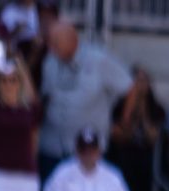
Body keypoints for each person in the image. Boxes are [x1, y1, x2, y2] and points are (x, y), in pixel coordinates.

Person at [38, 20, 131, 179]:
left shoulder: (99, 59)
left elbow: (130, 87)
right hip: (52, 147)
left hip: (87, 150)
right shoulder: (49, 62)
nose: (51, 47)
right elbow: (45, 96)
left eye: (55, 43)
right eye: (49, 42)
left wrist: (123, 122)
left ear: (72, 38)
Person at [106, 65, 165, 191]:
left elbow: (152, 138)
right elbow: (119, 136)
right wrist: (130, 110)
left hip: (147, 154)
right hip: (123, 153)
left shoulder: (156, 108)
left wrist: (143, 112)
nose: (140, 86)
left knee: (153, 166)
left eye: (143, 81)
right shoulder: (118, 107)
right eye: (136, 81)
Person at [0, 52, 40, 191]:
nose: (8, 84)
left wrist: (20, 64)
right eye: (4, 80)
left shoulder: (28, 110)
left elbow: (34, 100)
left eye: (13, 80)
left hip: (25, 173)